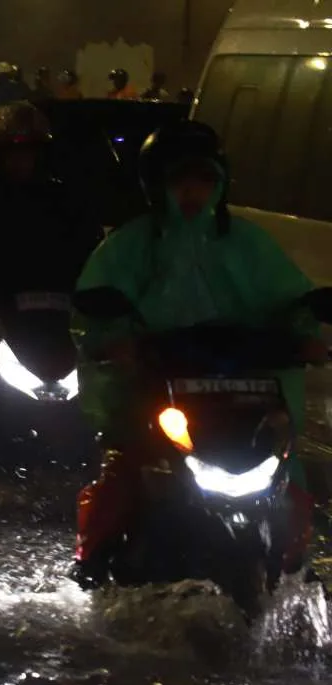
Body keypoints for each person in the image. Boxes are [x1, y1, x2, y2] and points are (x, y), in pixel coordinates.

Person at [70, 121, 327, 588]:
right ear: (156, 186)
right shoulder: (130, 245)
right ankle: (92, 555)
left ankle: (295, 555)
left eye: (205, 180)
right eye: (181, 182)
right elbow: (98, 306)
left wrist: (306, 334)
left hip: (243, 383)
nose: (193, 193)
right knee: (128, 464)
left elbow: (290, 297)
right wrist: (118, 340)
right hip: (158, 378)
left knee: (287, 468)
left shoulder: (249, 243)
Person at [0, 101, 102, 315]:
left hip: (61, 321)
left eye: (28, 153)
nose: (21, 161)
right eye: (12, 154)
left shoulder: (69, 203)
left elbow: (93, 260)